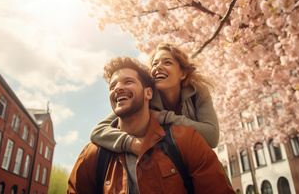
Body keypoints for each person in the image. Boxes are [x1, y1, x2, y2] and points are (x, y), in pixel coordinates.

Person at [68, 57, 233, 193]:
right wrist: (131, 143)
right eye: (113, 85)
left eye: (128, 81)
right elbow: (97, 131)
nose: (118, 88)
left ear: (149, 93)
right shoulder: (94, 155)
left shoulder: (185, 140)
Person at [90, 43, 219, 155]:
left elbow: (212, 137)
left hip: (199, 159)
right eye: (155, 63)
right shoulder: (145, 96)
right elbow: (98, 131)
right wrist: (131, 143)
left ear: (182, 73)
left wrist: (165, 117)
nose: (158, 67)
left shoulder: (198, 92)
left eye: (167, 62)